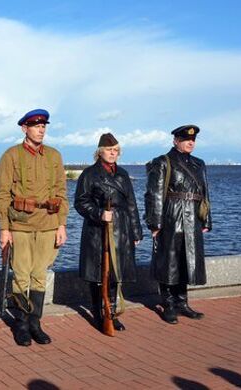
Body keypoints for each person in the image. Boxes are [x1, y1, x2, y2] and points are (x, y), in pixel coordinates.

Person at [0, 109, 69, 346]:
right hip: (21, 224)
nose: (41, 129)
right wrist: (4, 229)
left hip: (48, 224)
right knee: (21, 277)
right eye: (36, 126)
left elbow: (61, 193)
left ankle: (35, 322)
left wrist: (61, 225)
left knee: (39, 276)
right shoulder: (11, 156)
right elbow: (3, 195)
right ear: (24, 128)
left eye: (44, 126)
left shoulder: (54, 156)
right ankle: (21, 324)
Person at [74, 133, 142, 332]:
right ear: (99, 152)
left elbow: (131, 204)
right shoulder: (89, 174)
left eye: (116, 151)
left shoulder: (122, 174)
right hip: (98, 230)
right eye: (109, 150)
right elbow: (80, 202)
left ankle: (111, 312)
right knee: (98, 274)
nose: (113, 154)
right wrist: (99, 213)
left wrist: (136, 232)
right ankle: (99, 313)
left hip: (122, 228)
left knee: (115, 274)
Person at [144, 125, 212, 324]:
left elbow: (205, 194)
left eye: (193, 139)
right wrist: (154, 223)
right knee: (169, 261)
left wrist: (207, 219)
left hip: (193, 218)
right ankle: (168, 305)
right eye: (185, 139)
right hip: (171, 216)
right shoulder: (163, 162)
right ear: (175, 140)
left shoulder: (199, 164)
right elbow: (154, 194)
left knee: (187, 261)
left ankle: (182, 303)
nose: (190, 142)